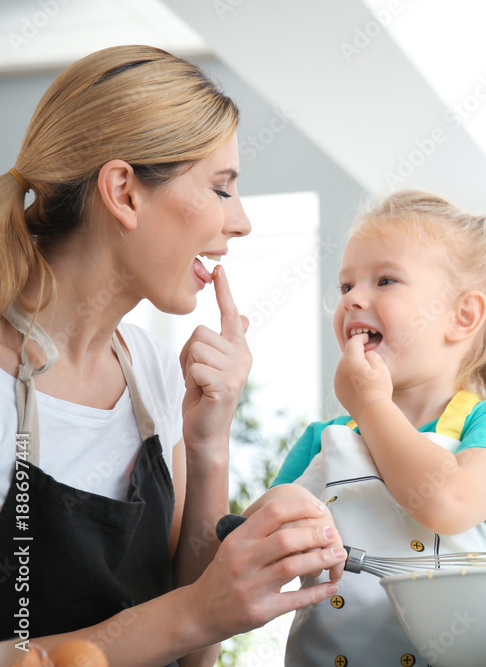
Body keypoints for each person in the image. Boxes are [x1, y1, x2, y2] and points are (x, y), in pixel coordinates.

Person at [0, 45, 346, 666]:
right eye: (221, 188)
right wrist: (196, 610)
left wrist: (210, 442)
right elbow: (190, 616)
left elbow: (197, 656)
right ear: (124, 193)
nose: (240, 222)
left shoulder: (156, 372)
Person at [248, 189, 486, 666]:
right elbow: (250, 557)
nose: (353, 300)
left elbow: (447, 500)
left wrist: (371, 404)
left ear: (463, 316)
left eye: (385, 280)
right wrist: (275, 512)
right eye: (346, 286)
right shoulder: (324, 440)